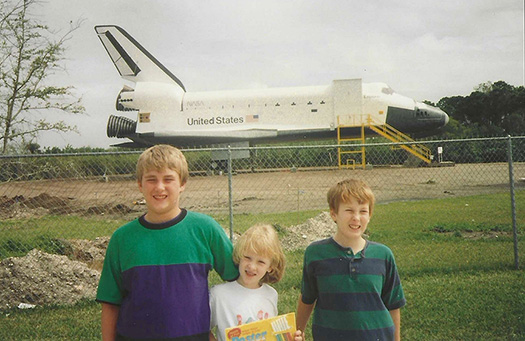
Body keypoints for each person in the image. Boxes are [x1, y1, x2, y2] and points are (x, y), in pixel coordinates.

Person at [96, 144, 239, 341]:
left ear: (182, 183)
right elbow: (110, 304)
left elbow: (240, 280)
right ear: (140, 184)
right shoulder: (122, 239)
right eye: (151, 179)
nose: (159, 187)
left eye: (168, 179)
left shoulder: (206, 229)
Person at [296, 179, 406, 341]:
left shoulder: (383, 255)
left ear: (370, 215)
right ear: (333, 213)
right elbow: (307, 298)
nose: (356, 218)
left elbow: (394, 305)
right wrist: (298, 331)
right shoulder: (315, 254)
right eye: (349, 210)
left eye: (363, 211)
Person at [209, 224, 302, 341]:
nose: (252, 266)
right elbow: (201, 329)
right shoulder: (218, 294)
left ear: (270, 267)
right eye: (247, 257)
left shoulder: (271, 295)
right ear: (239, 256)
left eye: (261, 262)